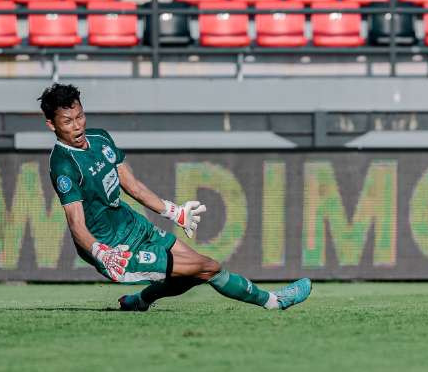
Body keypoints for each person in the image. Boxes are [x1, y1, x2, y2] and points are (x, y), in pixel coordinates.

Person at [41, 83, 311, 312]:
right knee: (209, 267)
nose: (77, 126)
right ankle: (274, 301)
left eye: (80, 117)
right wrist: (101, 252)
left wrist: (174, 212)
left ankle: (140, 301)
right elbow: (76, 225)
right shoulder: (63, 164)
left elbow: (133, 186)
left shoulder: (100, 138)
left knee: (195, 272)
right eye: (67, 122)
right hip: (115, 248)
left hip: (134, 225)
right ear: (51, 125)